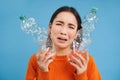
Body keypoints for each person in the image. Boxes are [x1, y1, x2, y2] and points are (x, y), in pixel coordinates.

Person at [25, 6, 101, 80]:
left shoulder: (86, 62)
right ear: (50, 28)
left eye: (71, 27)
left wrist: (81, 75)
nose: (63, 31)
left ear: (77, 34)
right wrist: (43, 71)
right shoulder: (36, 60)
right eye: (59, 24)